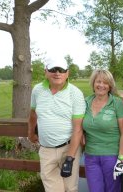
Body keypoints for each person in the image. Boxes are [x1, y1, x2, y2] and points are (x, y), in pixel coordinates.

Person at [28, 57, 85, 192]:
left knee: (70, 188)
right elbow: (32, 114)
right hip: (46, 149)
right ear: (46, 72)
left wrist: (70, 159)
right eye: (53, 69)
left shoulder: (75, 93)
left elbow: (78, 129)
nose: (57, 73)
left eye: (61, 70)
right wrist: (30, 132)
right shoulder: (37, 90)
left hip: (69, 147)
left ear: (67, 73)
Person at [83, 69, 123, 192]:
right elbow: (78, 125)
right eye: (98, 81)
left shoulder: (117, 103)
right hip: (91, 155)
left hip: (112, 156)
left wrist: (121, 159)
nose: (101, 85)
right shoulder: (85, 102)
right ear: (93, 83)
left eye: (105, 83)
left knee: (112, 190)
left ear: (110, 86)